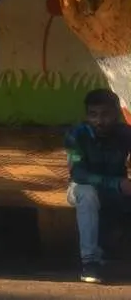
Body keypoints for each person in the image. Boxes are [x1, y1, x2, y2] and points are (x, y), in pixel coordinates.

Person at [66, 88, 131, 284]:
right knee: (86, 193)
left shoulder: (125, 133)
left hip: (118, 192)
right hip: (82, 190)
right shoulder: (76, 135)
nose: (99, 121)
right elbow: (78, 174)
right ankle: (90, 262)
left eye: (105, 114)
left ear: (116, 114)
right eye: (93, 115)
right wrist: (116, 183)